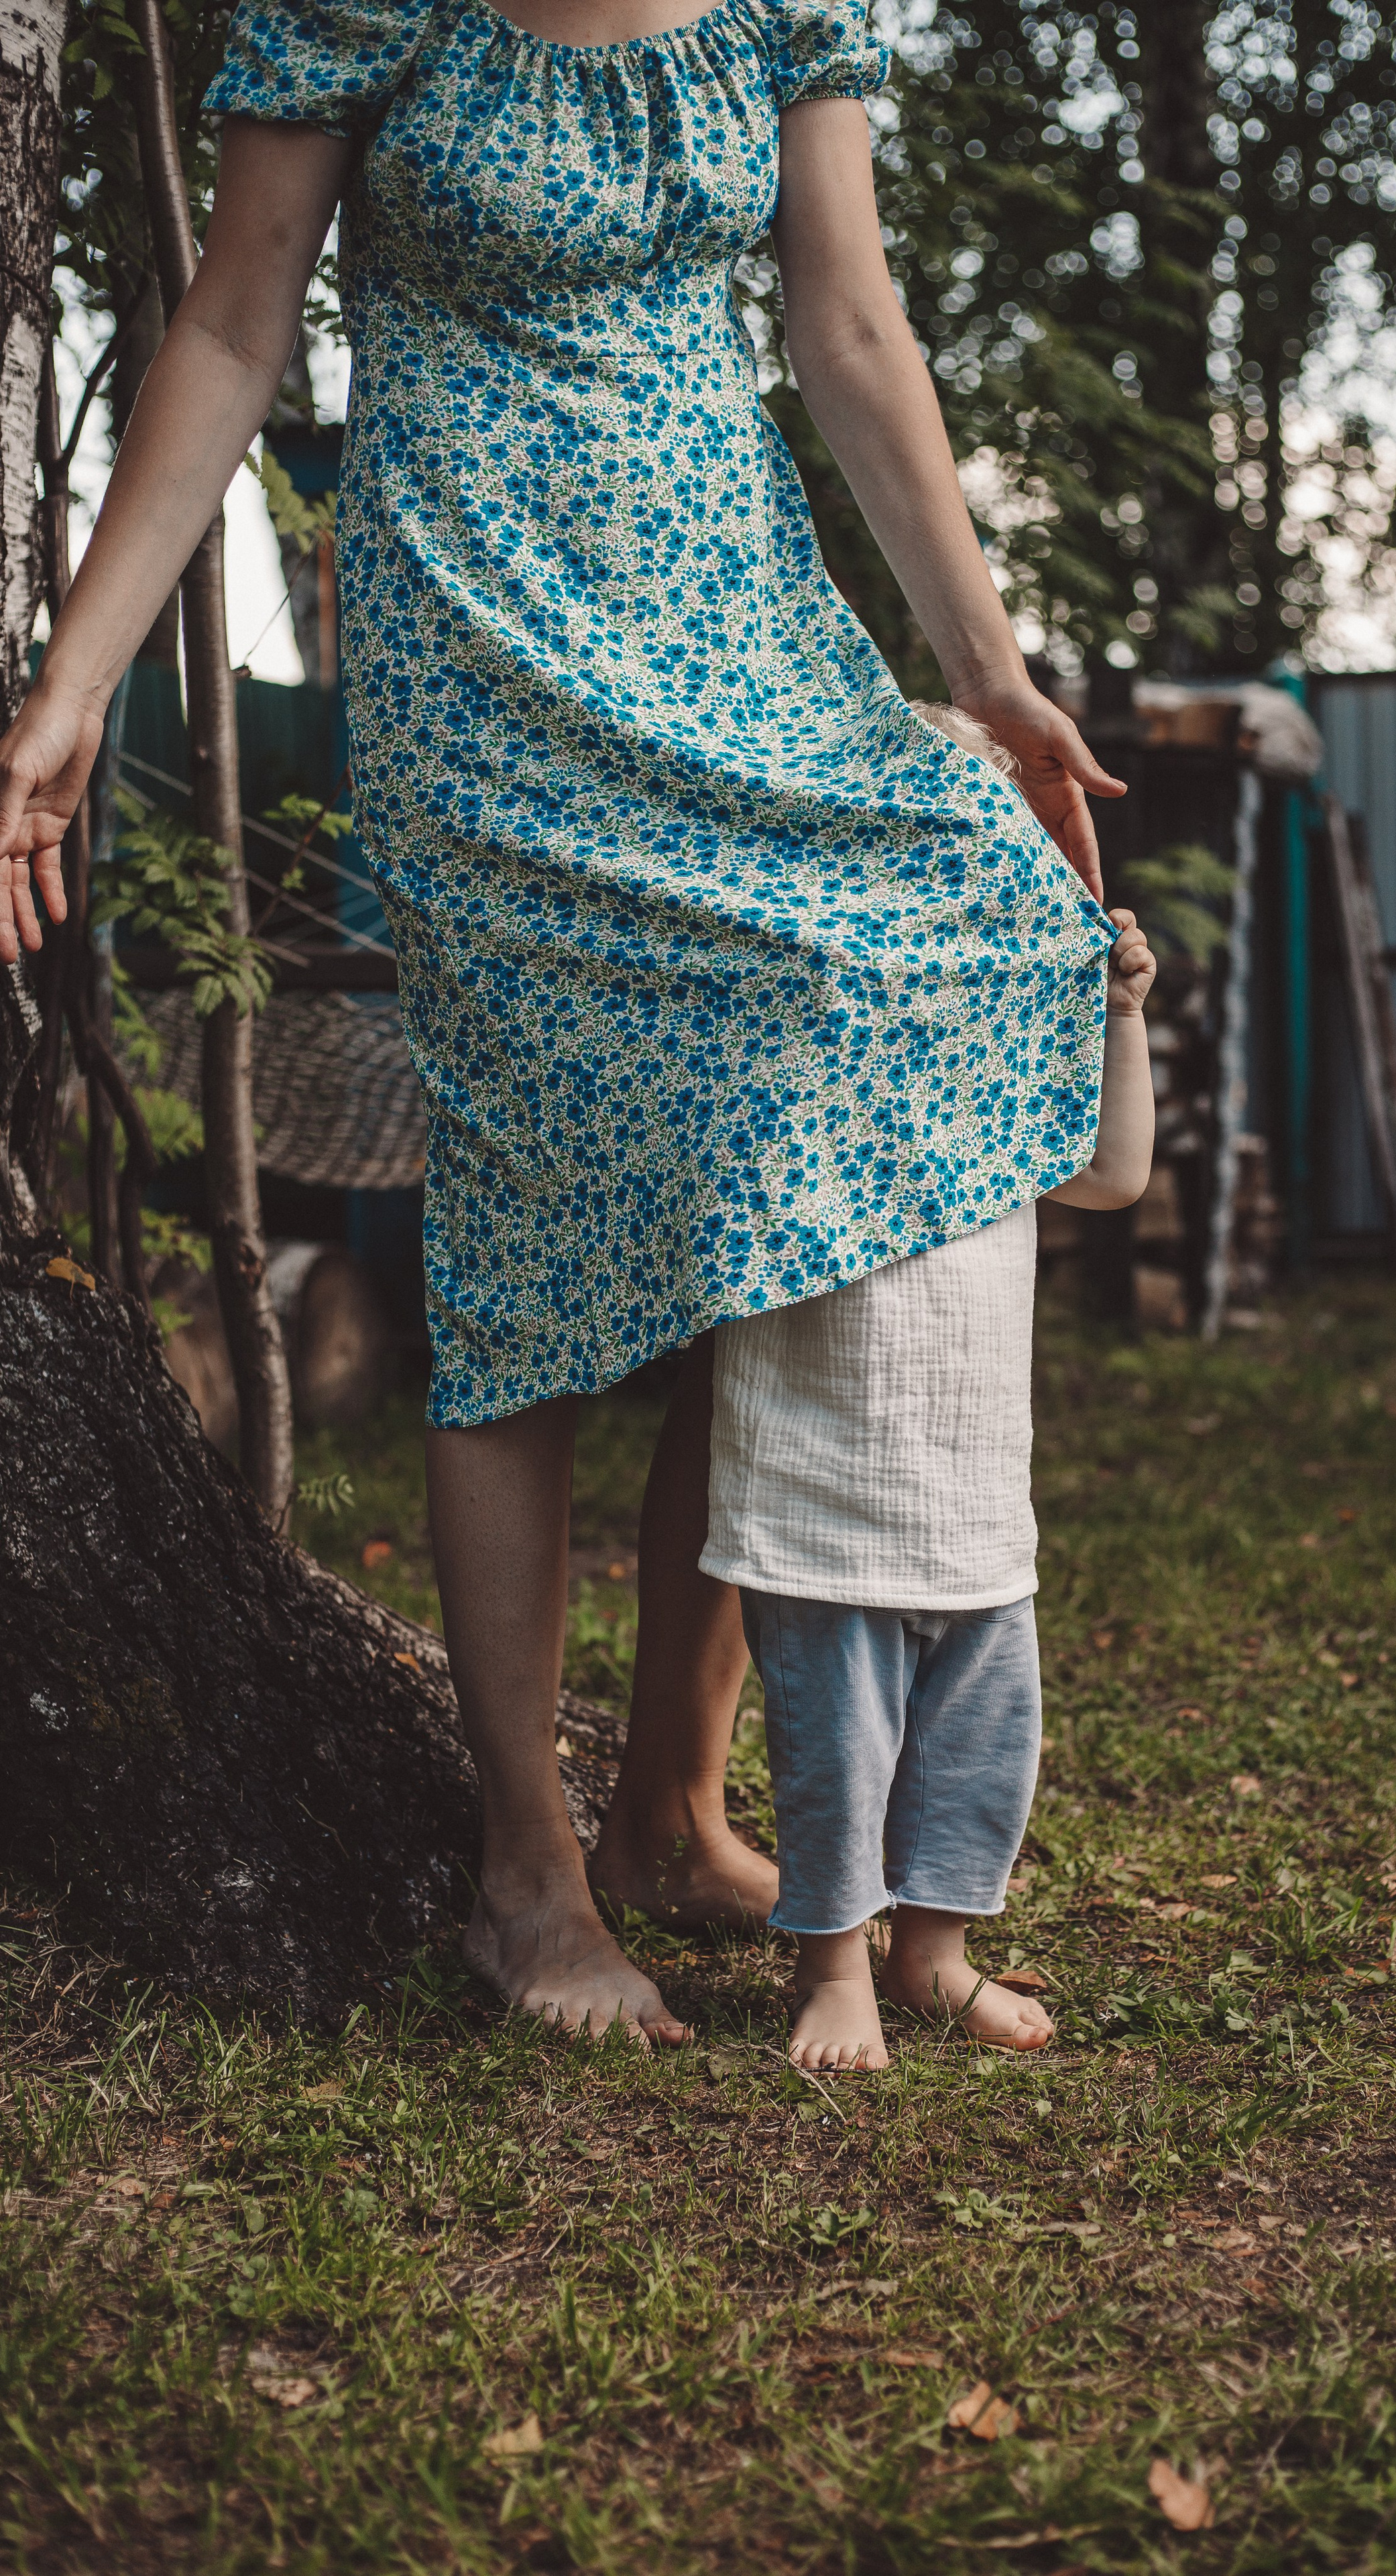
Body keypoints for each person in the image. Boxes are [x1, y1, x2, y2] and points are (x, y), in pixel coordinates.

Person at [0, 0, 1123, 2045]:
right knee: (525, 1245)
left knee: (843, 1109)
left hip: (747, 643)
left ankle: (675, 1807)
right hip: (484, 654)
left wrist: (992, 666)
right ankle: (527, 1878)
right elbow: (236, 331)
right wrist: (76, 683)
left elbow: (851, 333)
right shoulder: (361, 7)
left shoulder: (786, 3)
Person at [701, 710, 1157, 2070]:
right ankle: (830, 1969)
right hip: (821, 1485)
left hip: (968, 1496)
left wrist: (1116, 1016)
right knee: (835, 1756)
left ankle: (930, 1953)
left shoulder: (1003, 1055)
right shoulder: (795, 1021)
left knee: (975, 1749)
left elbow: (1111, 1174)